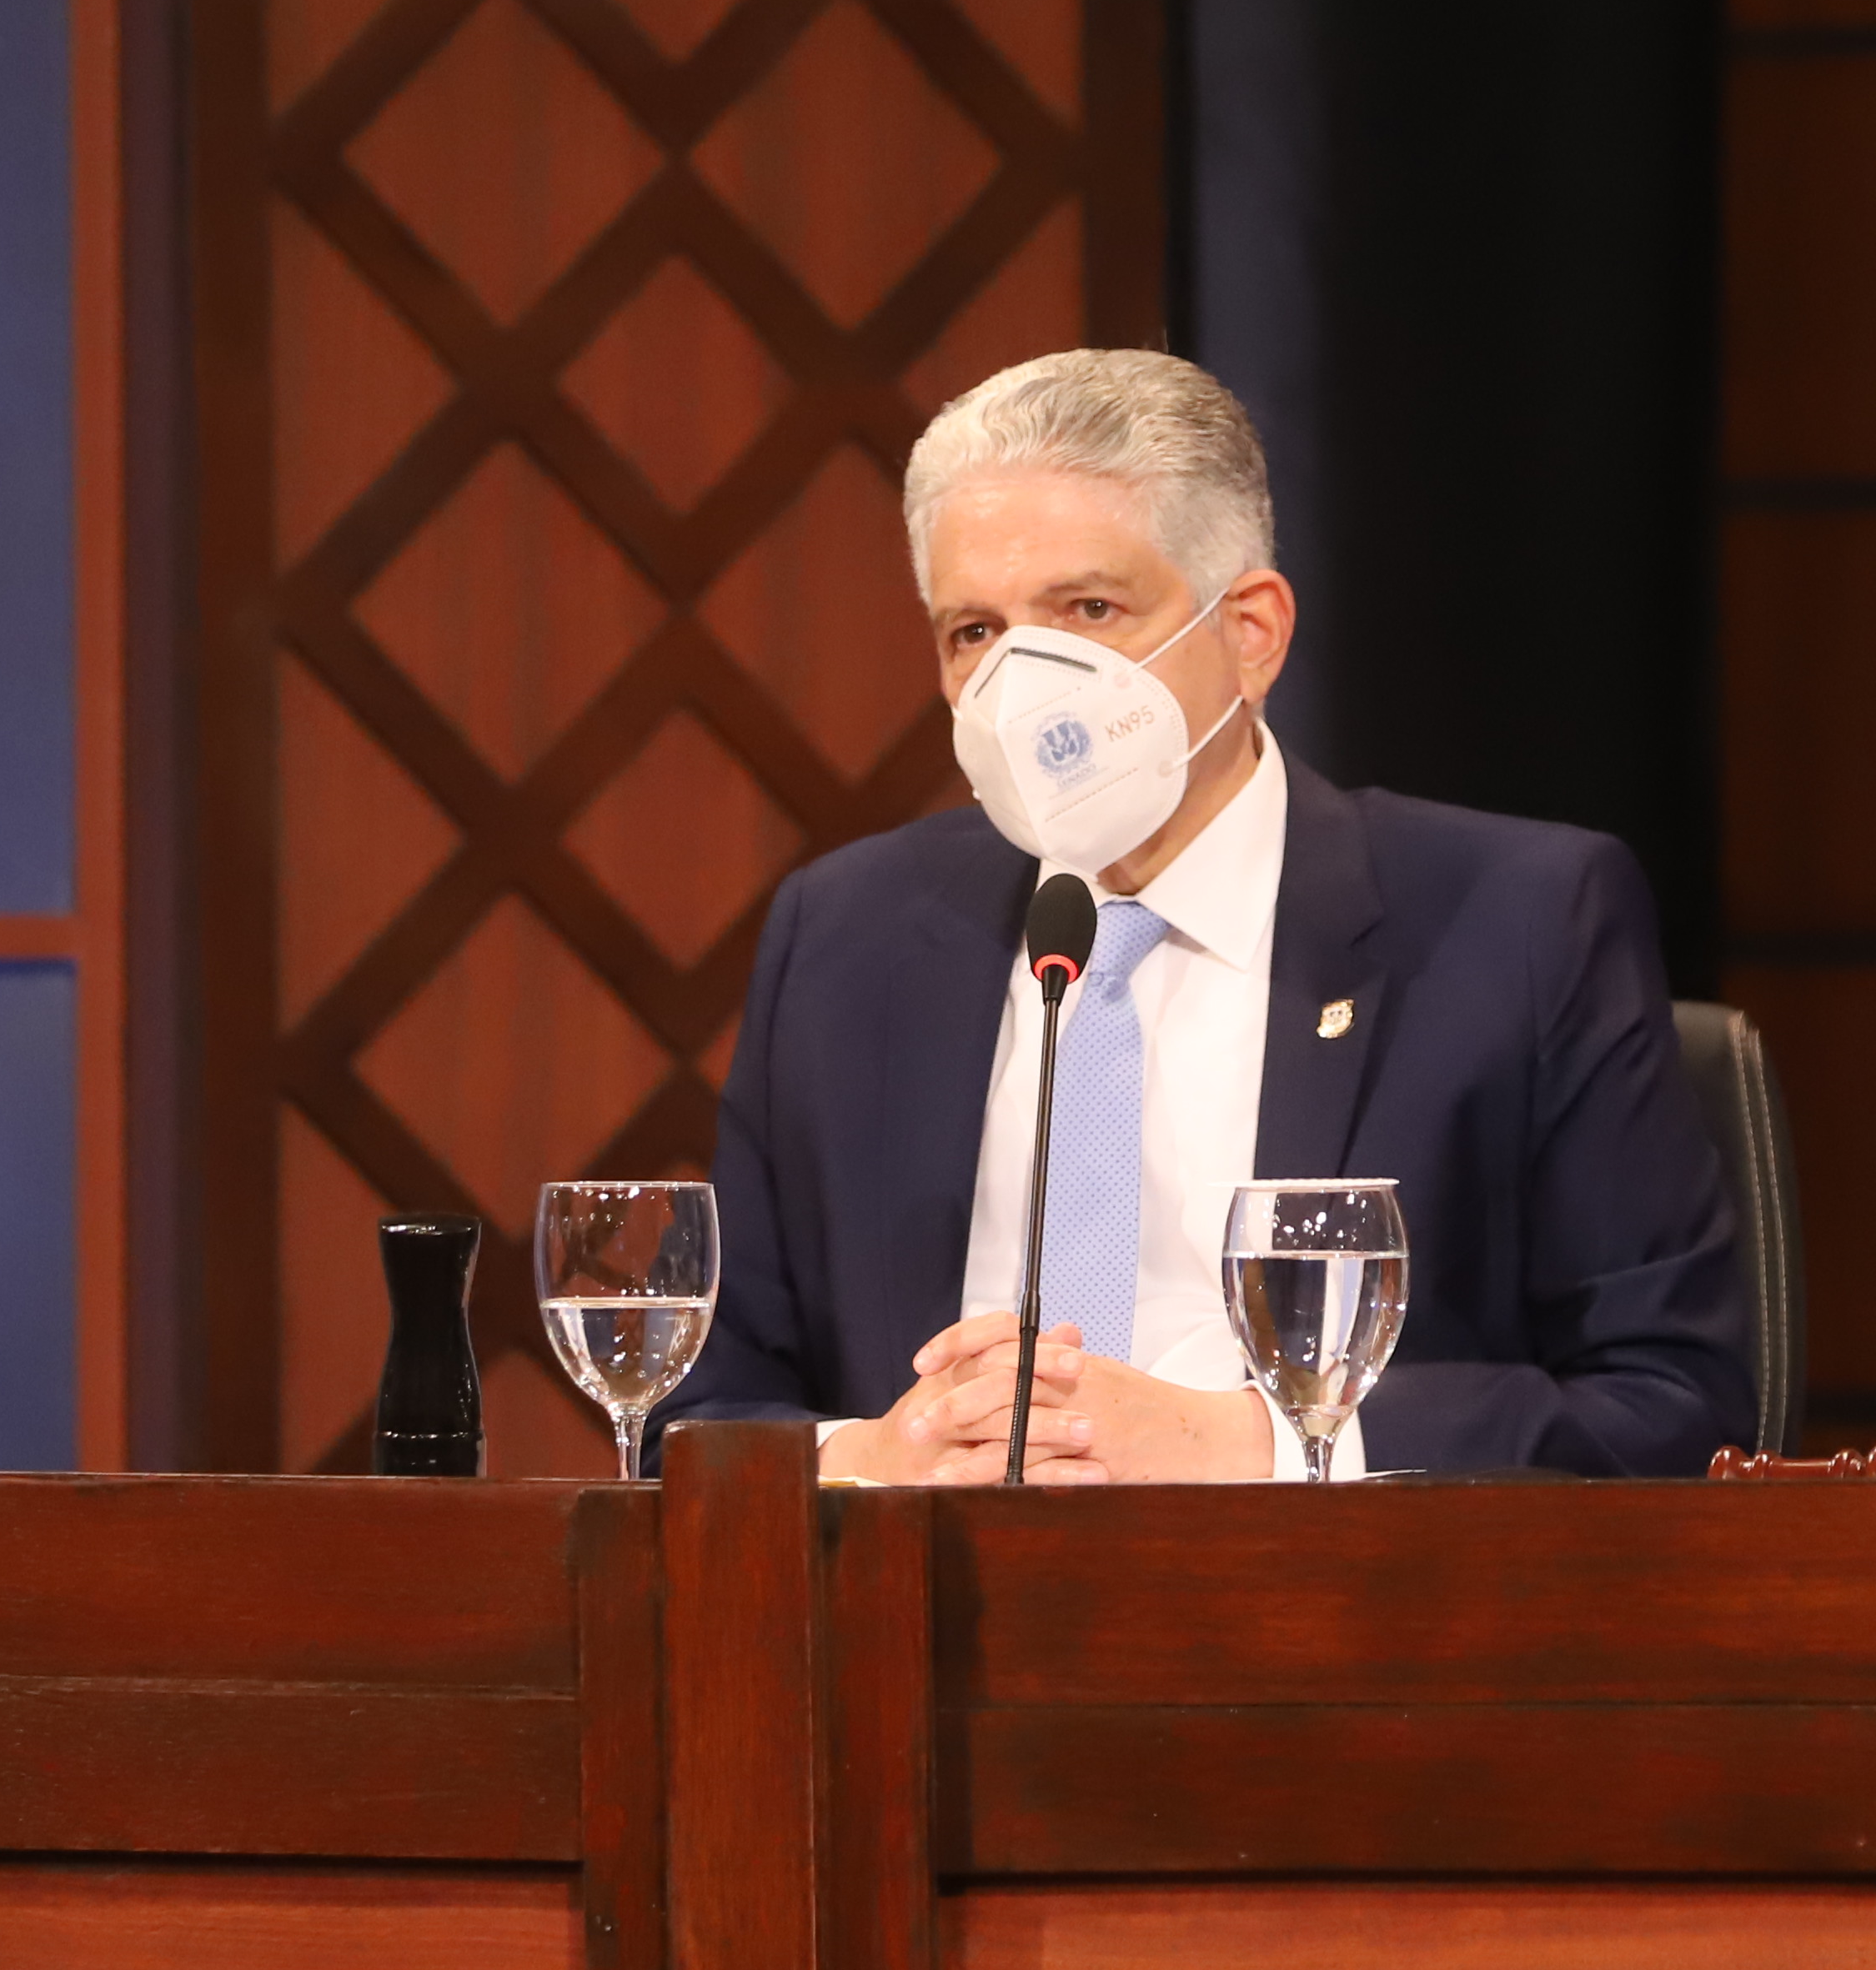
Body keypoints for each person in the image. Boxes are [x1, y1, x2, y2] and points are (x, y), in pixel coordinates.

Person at [662, 349, 1748, 1479]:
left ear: (1252, 632)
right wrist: (878, 1458)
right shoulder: (846, 938)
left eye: (1090, 608)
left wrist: (1249, 1442)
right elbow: (699, 1407)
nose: (1026, 681)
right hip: (926, 1585)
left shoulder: (1518, 921)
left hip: (1322, 1587)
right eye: (975, 631)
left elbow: (1671, 1406)